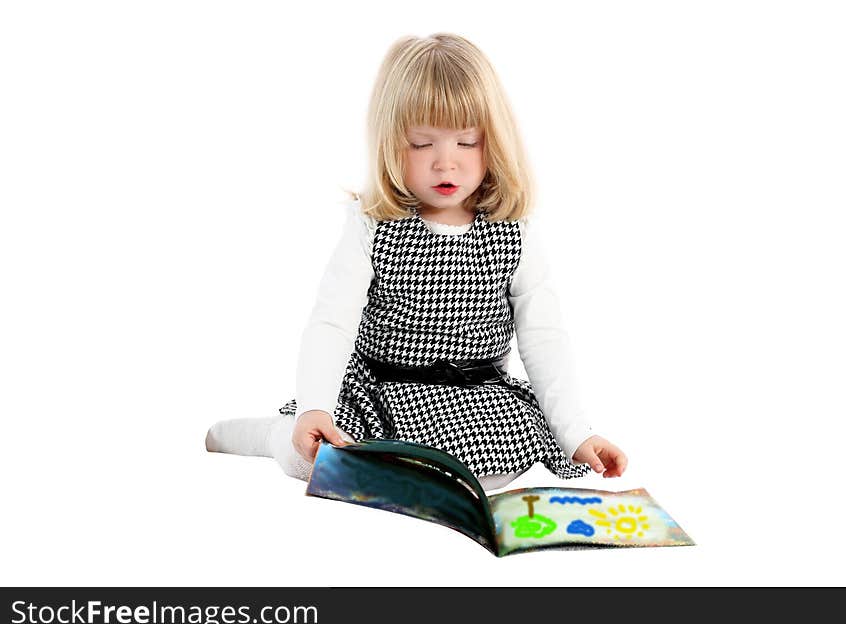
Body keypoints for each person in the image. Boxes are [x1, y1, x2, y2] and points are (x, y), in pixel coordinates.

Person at [206, 32, 627, 491]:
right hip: (380, 393)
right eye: (421, 144)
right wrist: (315, 406)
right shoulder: (374, 224)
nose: (446, 164)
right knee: (315, 458)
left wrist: (576, 433)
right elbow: (332, 322)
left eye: (467, 142)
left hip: (475, 400)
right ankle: (270, 434)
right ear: (390, 141)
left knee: (507, 462)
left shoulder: (513, 229)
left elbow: (545, 337)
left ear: (495, 140)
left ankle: (421, 475)